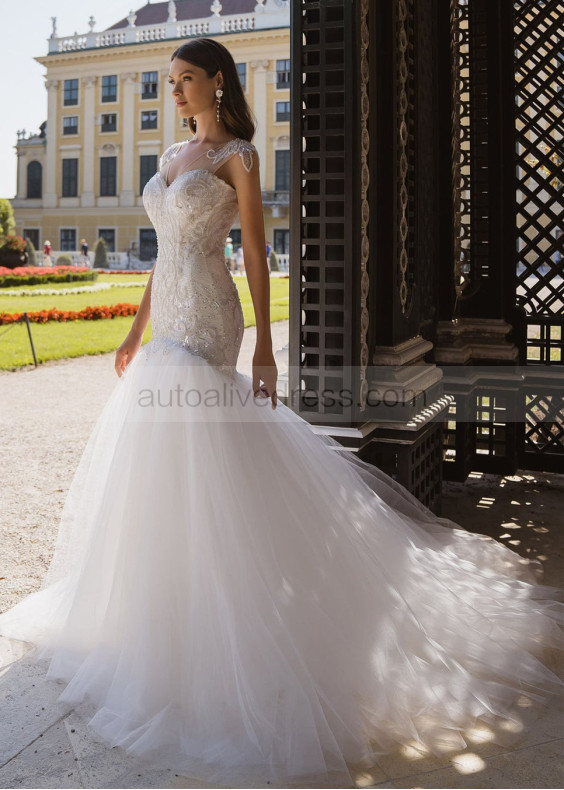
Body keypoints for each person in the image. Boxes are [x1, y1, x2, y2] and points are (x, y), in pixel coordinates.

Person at [0, 37, 562, 790]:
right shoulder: (172, 152)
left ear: (217, 83)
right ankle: (164, 613)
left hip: (209, 318)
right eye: (170, 81)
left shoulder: (241, 156)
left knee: (210, 455)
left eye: (185, 80)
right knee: (159, 465)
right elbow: (162, 252)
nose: (174, 91)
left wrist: (267, 348)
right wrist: (134, 332)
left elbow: (256, 254)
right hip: (165, 313)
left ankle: (236, 615)